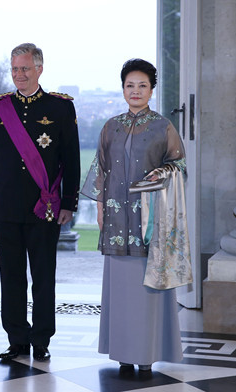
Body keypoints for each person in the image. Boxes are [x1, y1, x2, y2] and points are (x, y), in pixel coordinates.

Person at [81, 58, 186, 371]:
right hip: (116, 220)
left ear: (152, 90)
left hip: (150, 221)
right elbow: (101, 170)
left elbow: (179, 165)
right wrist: (100, 207)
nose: (135, 91)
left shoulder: (163, 127)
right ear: (123, 89)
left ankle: (146, 355)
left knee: (146, 290)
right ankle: (122, 354)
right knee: (121, 290)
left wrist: (158, 175)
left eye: (142, 85)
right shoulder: (111, 127)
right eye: (130, 85)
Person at [0, 43, 80, 362]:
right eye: (14, 69)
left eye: (24, 68)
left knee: (43, 276)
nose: (18, 74)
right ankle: (17, 339)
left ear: (39, 69)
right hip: (7, 205)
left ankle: (41, 339)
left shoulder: (60, 107)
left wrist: (69, 203)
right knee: (11, 277)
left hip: (45, 207)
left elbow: (72, 159)